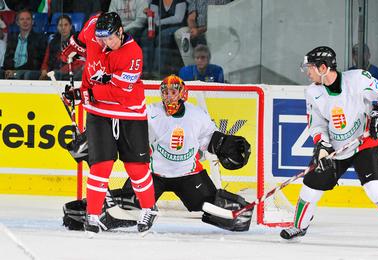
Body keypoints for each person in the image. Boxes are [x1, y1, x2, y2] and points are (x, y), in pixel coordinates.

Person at [62, 74, 253, 232]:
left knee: (212, 206)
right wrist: (94, 138)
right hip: (153, 175)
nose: (168, 96)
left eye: (173, 92)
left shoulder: (197, 116)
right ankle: (90, 210)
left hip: (189, 174)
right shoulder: (150, 112)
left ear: (183, 94)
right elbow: (123, 124)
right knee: (131, 205)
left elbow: (210, 140)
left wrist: (225, 145)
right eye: (165, 92)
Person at [61, 12, 157, 235]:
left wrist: (81, 95)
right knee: (100, 165)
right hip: (98, 113)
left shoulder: (133, 54)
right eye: (102, 39)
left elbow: (117, 93)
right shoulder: (95, 26)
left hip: (129, 112)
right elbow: (84, 39)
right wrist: (74, 45)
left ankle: (149, 208)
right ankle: (93, 216)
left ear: (121, 32)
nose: (106, 43)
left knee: (136, 167)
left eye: (111, 38)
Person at [280, 46, 378, 240]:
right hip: (335, 149)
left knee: (377, 191)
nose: (308, 72)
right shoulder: (313, 92)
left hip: (364, 142)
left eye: (311, 68)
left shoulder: (358, 79)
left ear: (323, 68)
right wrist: (322, 146)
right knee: (311, 188)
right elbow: (316, 123)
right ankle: (299, 226)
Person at [2, 9, 47, 80]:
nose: (25, 22)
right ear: (17, 22)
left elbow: (35, 63)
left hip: (28, 71)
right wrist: (8, 70)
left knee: (20, 74)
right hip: (12, 71)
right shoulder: (13, 39)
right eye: (22, 19)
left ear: (32, 22)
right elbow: (7, 59)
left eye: (28, 19)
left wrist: (15, 71)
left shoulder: (39, 39)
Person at [39, 15, 83, 81]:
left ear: (70, 26)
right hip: (52, 71)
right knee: (29, 75)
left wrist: (61, 71)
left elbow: (79, 62)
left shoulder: (76, 42)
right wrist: (44, 69)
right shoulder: (52, 42)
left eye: (66, 25)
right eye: (60, 25)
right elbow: (46, 60)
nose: (63, 28)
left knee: (55, 75)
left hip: (68, 72)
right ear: (57, 27)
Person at [174, 0, 208, 65]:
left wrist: (200, 30)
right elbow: (191, 18)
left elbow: (220, 21)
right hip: (197, 28)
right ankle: (191, 68)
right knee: (181, 34)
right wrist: (193, 29)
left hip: (213, 28)